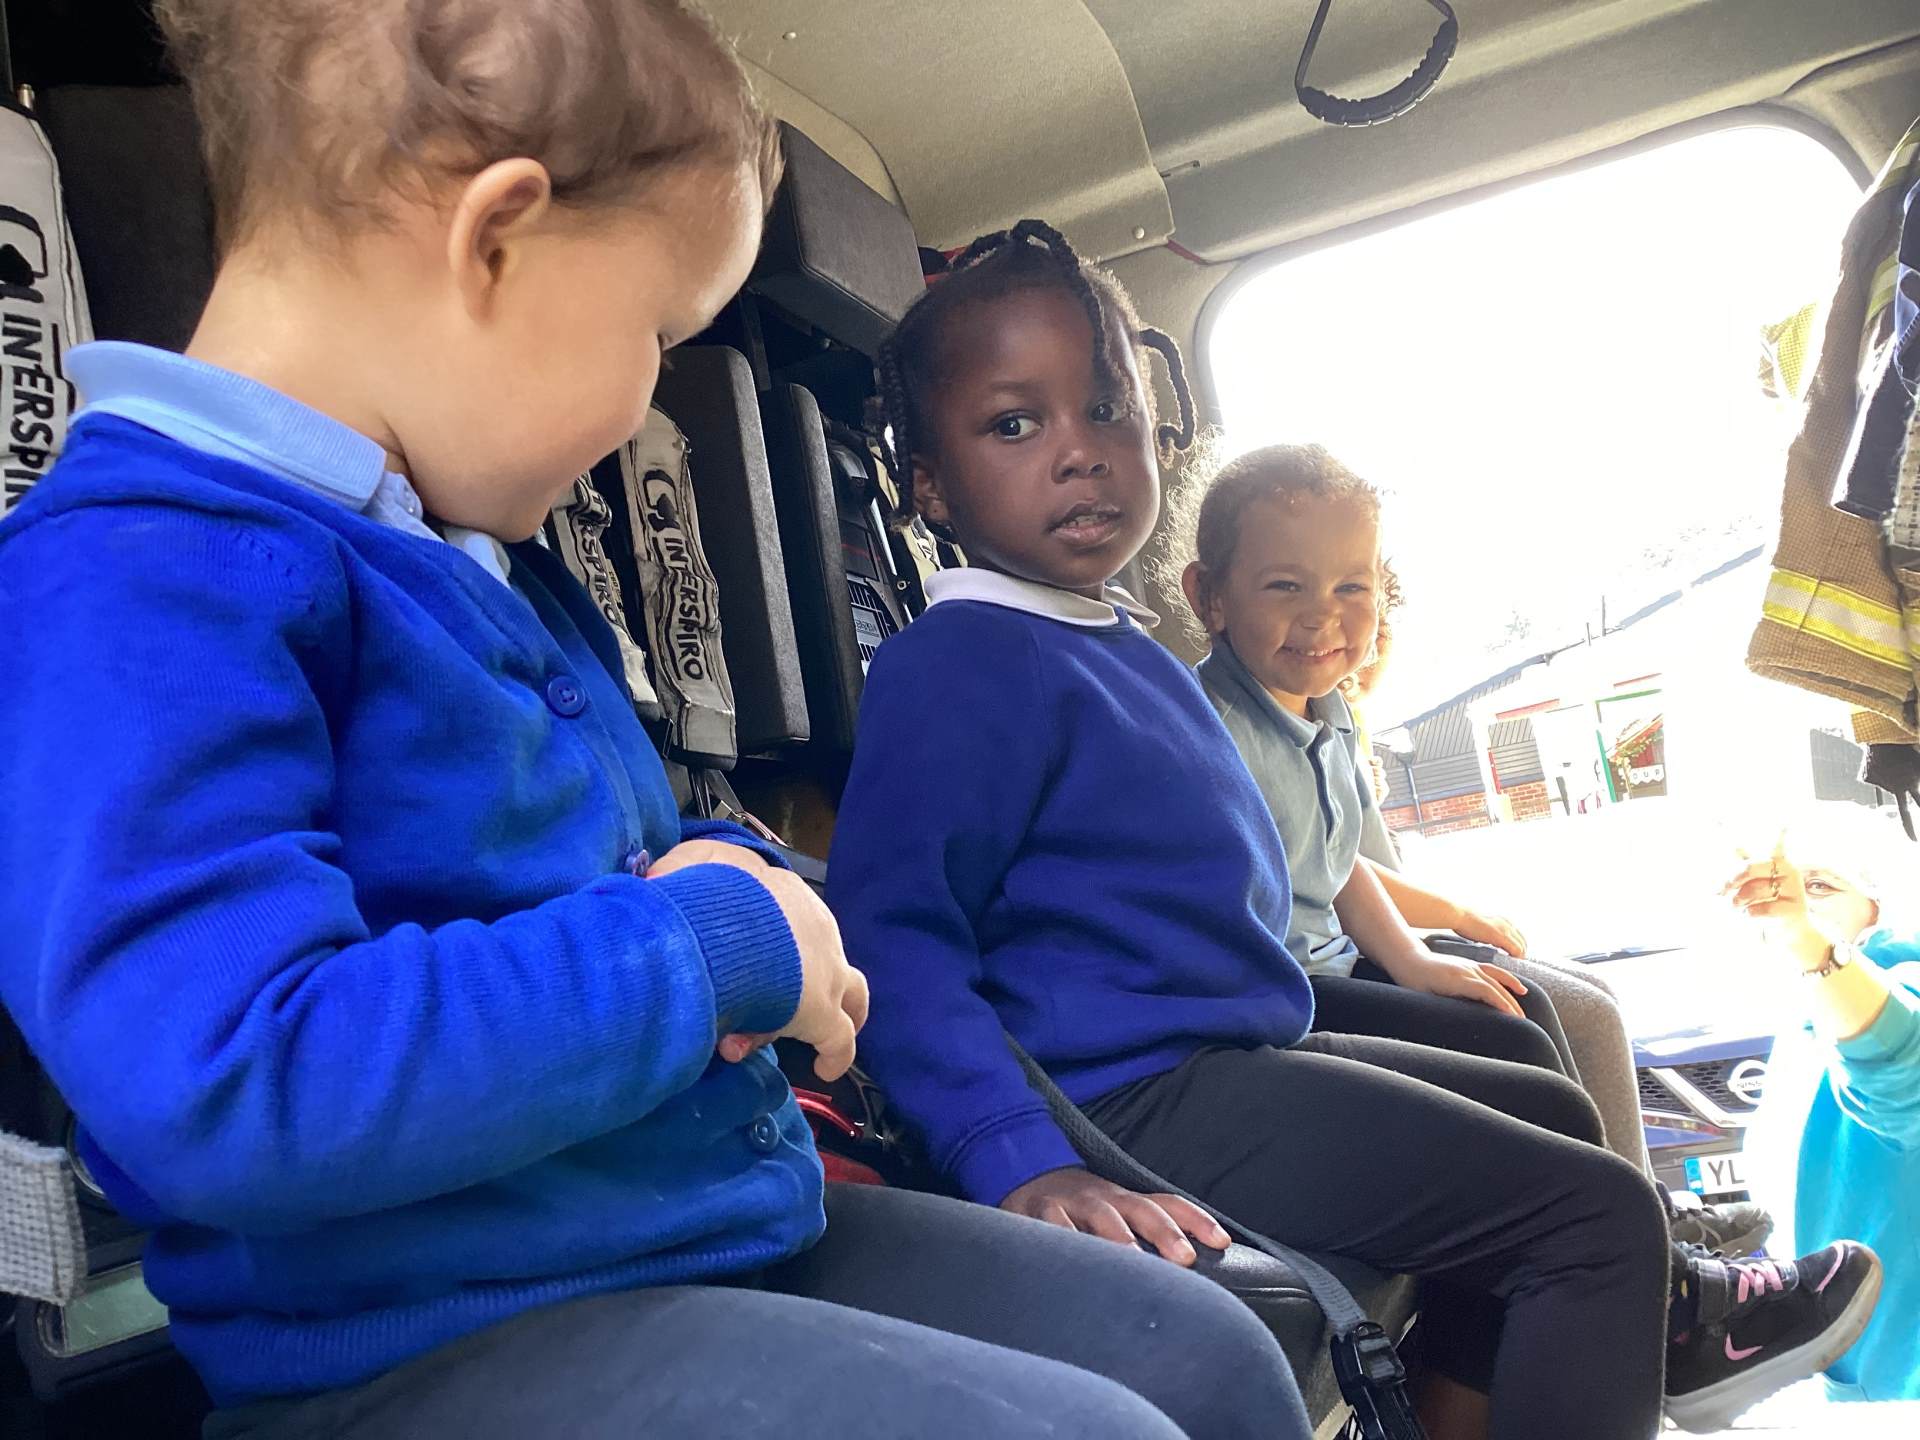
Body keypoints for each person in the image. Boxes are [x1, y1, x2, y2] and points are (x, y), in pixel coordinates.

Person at [0, 7, 1319, 1438]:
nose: (647, 404)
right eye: (656, 335)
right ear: (494, 242)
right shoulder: (136, 575)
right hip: (419, 1340)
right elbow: (226, 1082)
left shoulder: (477, 558)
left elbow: (595, 866)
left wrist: (744, 878)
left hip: (696, 1228)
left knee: (1212, 1357)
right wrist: (712, 947)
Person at [827, 218, 1881, 1439]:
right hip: (1124, 1099)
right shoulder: (956, 666)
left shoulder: (1113, 643)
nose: (1080, 454)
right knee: (1594, 1222)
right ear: (929, 485)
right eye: (1015, 425)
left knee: (1546, 1100)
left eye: (1108, 410)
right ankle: (1644, 1317)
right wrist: (1017, 1154)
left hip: (1216, 1047)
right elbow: (892, 942)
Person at [1170, 441, 1770, 1256]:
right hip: (1286, 994)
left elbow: (1335, 862)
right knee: (1512, 1044)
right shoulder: (1211, 730)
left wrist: (1416, 958)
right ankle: (1628, 1247)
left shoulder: (1324, 711)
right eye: (1286, 586)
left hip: (1335, 961)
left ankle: (1646, 1231)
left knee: (1521, 1007)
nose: (1321, 616)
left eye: (1352, 587)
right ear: (1209, 597)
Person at [1725, 821, 1917, 1402]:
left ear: (1879, 904)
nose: (1792, 900)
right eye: (1780, 886)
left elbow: (1900, 1066)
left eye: (1822, 887)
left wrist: (1804, 938)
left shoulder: (1899, 976)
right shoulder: (1805, 1009)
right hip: (1851, 1366)